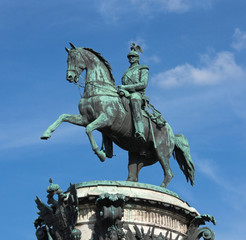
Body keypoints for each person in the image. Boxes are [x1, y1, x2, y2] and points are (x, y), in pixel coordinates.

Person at [118, 43, 149, 143]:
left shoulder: (143, 68)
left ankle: (140, 130)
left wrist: (125, 87)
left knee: (134, 98)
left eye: (133, 56)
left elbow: (143, 84)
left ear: (137, 58)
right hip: (125, 94)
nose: (131, 58)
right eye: (129, 57)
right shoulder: (126, 72)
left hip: (138, 95)